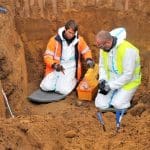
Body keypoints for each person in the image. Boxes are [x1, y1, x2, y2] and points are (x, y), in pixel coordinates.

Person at [40, 20, 94, 95]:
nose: (71, 35)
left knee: (63, 90)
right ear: (65, 30)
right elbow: (47, 56)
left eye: (73, 33)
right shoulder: (54, 40)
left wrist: (89, 59)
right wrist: (54, 65)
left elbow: (86, 51)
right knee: (46, 87)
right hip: (57, 66)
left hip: (70, 67)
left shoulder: (79, 40)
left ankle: (74, 80)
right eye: (69, 32)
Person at [95, 27, 141, 111]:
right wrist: (103, 80)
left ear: (108, 42)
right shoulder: (104, 49)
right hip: (112, 79)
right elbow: (102, 66)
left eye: (101, 46)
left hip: (129, 81)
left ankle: (125, 98)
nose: (100, 49)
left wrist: (110, 86)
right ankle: (117, 94)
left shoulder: (128, 50)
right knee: (100, 104)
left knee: (118, 105)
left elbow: (128, 75)